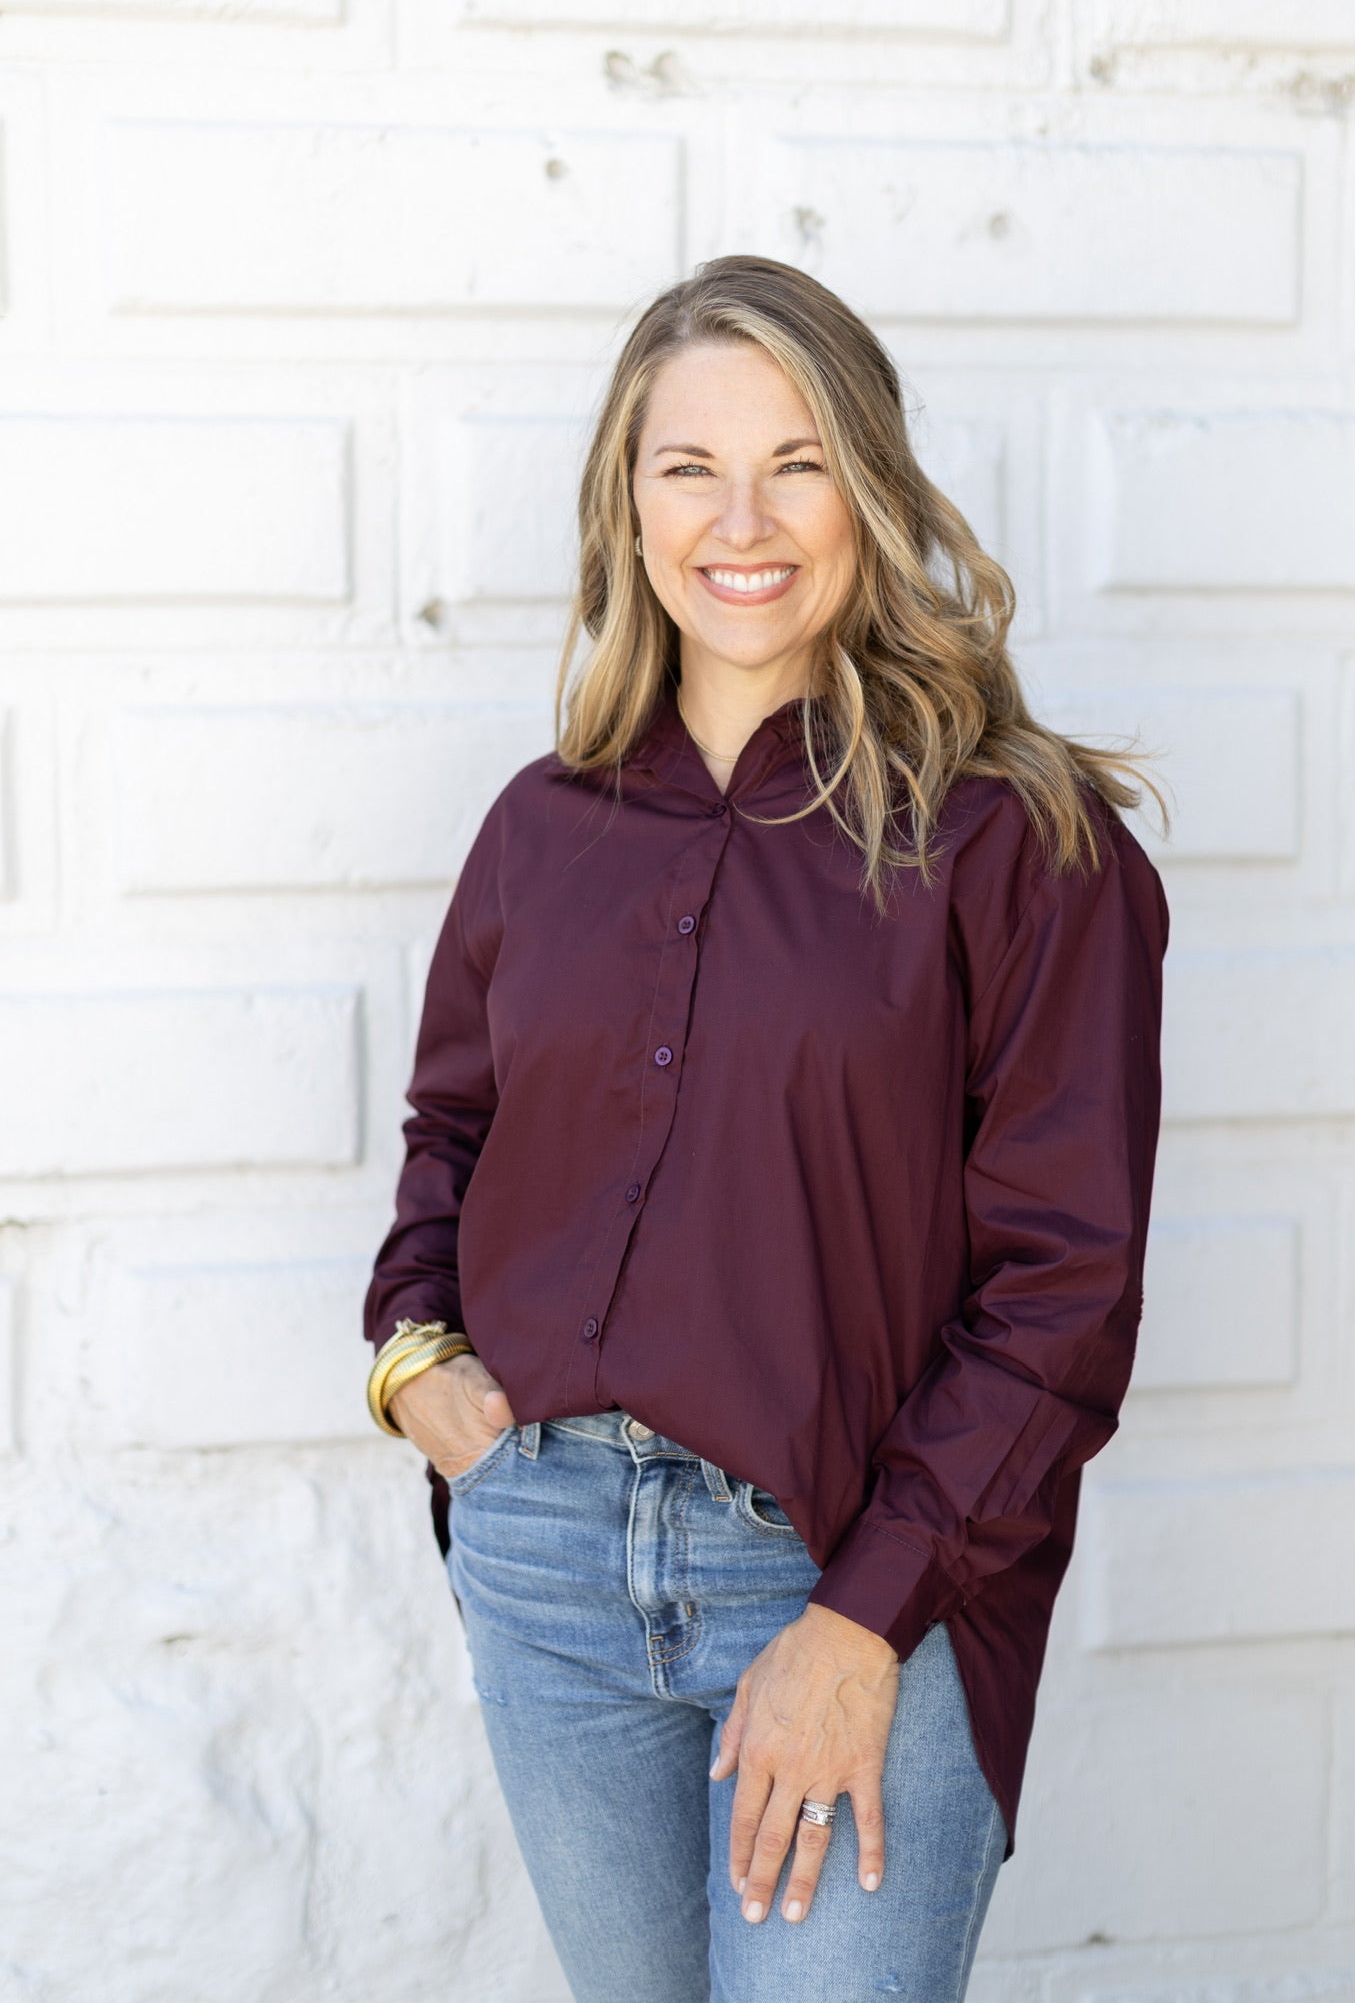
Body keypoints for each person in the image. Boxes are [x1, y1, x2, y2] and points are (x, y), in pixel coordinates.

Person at [362, 255, 1168, 2003]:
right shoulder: (543, 827)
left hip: (845, 1570)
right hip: (548, 1562)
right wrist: (413, 1355)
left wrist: (862, 1619)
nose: (745, 519)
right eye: (688, 468)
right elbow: (451, 1125)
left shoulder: (1017, 843)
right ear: (624, 504)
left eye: (797, 461)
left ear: (868, 489)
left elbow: (1067, 1286)